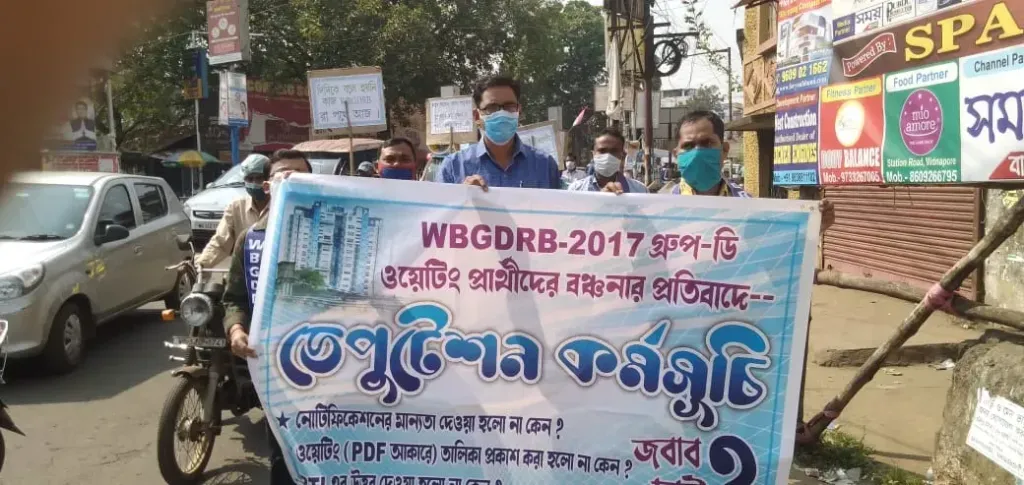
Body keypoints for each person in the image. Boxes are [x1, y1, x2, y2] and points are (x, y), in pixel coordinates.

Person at [222, 153, 313, 485]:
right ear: (267, 186)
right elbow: (234, 297)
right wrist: (236, 329)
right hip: (278, 370)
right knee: (284, 455)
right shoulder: (251, 240)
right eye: (282, 175)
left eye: (300, 175)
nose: (290, 180)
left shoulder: (341, 231)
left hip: (335, 367)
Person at [435, 75, 560, 190]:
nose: (502, 114)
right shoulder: (453, 167)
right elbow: (439, 207)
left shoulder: (545, 166)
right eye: (492, 108)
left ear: (518, 111)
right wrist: (461, 196)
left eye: (509, 106)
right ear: (477, 116)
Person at [194, 154, 272, 268]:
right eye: (250, 179)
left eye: (259, 178)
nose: (254, 183)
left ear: (269, 179)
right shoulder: (236, 208)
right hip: (244, 272)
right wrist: (201, 264)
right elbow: (220, 242)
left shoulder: (280, 206)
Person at [567, 128, 648, 194]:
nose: (608, 156)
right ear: (593, 154)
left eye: (614, 151)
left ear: (622, 155)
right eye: (602, 151)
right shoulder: (576, 190)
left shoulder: (640, 190)